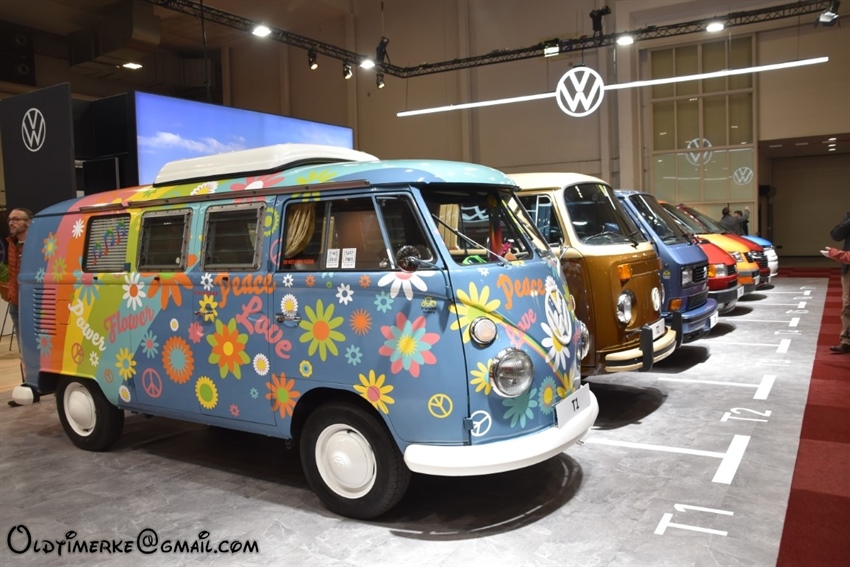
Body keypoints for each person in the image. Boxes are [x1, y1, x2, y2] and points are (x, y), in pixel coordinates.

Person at [6, 208, 31, 406]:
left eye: (16, 219)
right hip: (16, 303)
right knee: (23, 348)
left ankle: (35, 386)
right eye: (10, 219)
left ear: (28, 222)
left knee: (33, 346)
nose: (11, 222)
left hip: (32, 304)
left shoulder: (36, 243)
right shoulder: (12, 243)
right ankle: (28, 388)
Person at [827, 212, 850, 354]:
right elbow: (836, 235)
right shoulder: (848, 216)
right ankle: (846, 341)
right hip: (848, 268)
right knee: (847, 304)